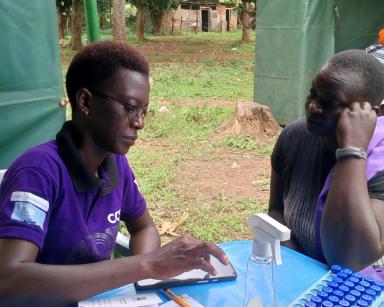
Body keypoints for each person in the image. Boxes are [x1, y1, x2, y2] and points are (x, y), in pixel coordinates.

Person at [0, 41, 228, 306]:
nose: (139, 123)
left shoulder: (115, 165)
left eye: (144, 111)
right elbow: (9, 280)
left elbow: (143, 227)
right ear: (85, 101)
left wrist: (146, 280)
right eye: (130, 107)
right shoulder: (38, 172)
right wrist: (146, 265)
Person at [268, 49, 384, 306]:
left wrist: (351, 152)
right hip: (324, 271)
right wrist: (299, 268)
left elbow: (349, 257)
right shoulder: (294, 137)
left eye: (329, 102)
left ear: (369, 113)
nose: (313, 106)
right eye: (313, 93)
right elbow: (276, 213)